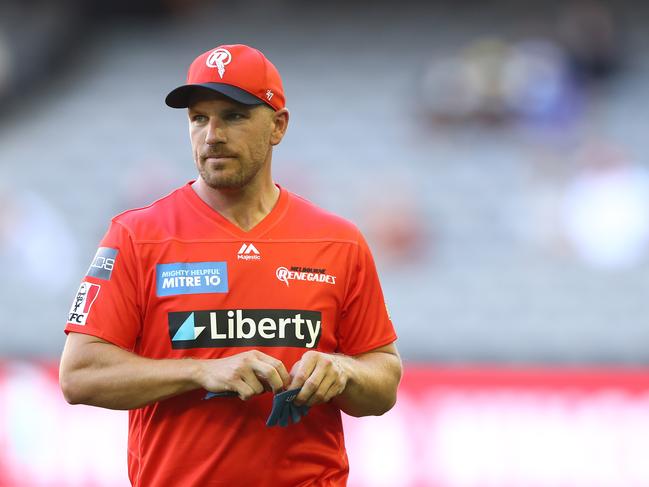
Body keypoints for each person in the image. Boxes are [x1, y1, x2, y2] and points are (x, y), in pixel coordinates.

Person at [59, 43, 401, 487]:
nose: (212, 134)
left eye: (234, 116)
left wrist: (345, 370)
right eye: (199, 118)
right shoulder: (137, 236)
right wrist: (201, 369)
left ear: (278, 126)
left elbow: (384, 381)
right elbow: (79, 376)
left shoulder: (338, 241)